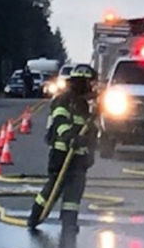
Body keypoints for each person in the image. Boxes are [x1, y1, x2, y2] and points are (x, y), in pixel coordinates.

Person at [27, 64, 98, 234]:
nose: (91, 87)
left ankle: (69, 224)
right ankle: (35, 217)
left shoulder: (83, 104)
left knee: (74, 192)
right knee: (54, 187)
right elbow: (60, 122)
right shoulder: (63, 100)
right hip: (62, 153)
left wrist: (89, 149)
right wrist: (71, 138)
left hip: (78, 157)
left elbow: (90, 130)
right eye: (88, 83)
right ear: (80, 82)